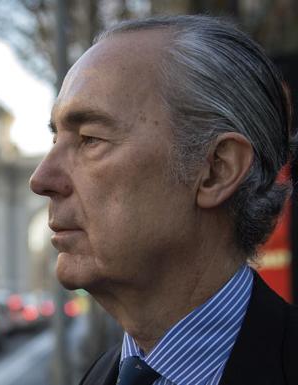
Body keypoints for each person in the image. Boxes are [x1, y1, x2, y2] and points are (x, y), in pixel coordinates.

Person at [29, 15, 297, 385]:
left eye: (91, 138)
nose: (41, 180)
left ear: (216, 169)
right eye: (56, 139)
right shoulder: (99, 375)